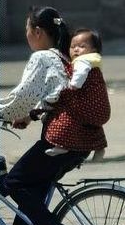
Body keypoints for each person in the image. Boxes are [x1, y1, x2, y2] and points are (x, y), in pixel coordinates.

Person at [0, 7, 89, 225]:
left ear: (37, 32)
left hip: (62, 138)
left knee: (13, 182)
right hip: (80, 139)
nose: (27, 36)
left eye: (27, 31)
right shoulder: (63, 58)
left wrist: (3, 113)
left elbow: (22, 97)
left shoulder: (42, 58)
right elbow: (55, 97)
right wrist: (29, 117)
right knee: (32, 182)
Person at [43, 28, 111, 157]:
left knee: (66, 118)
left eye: (81, 46)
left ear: (94, 49)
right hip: (101, 109)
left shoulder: (83, 61)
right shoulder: (94, 61)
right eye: (72, 46)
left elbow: (80, 73)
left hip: (88, 106)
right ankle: (99, 149)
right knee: (92, 126)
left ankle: (62, 145)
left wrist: (73, 84)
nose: (76, 49)